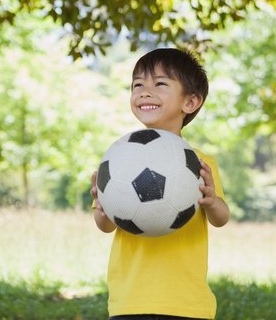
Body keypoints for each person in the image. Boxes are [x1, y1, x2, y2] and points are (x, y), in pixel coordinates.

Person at [90, 48, 230, 320]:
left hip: (186, 304)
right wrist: (101, 206)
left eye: (160, 84)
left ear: (190, 102)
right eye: (138, 84)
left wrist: (212, 201)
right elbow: (105, 226)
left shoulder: (200, 163)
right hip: (130, 301)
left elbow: (221, 219)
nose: (144, 91)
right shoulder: (119, 159)